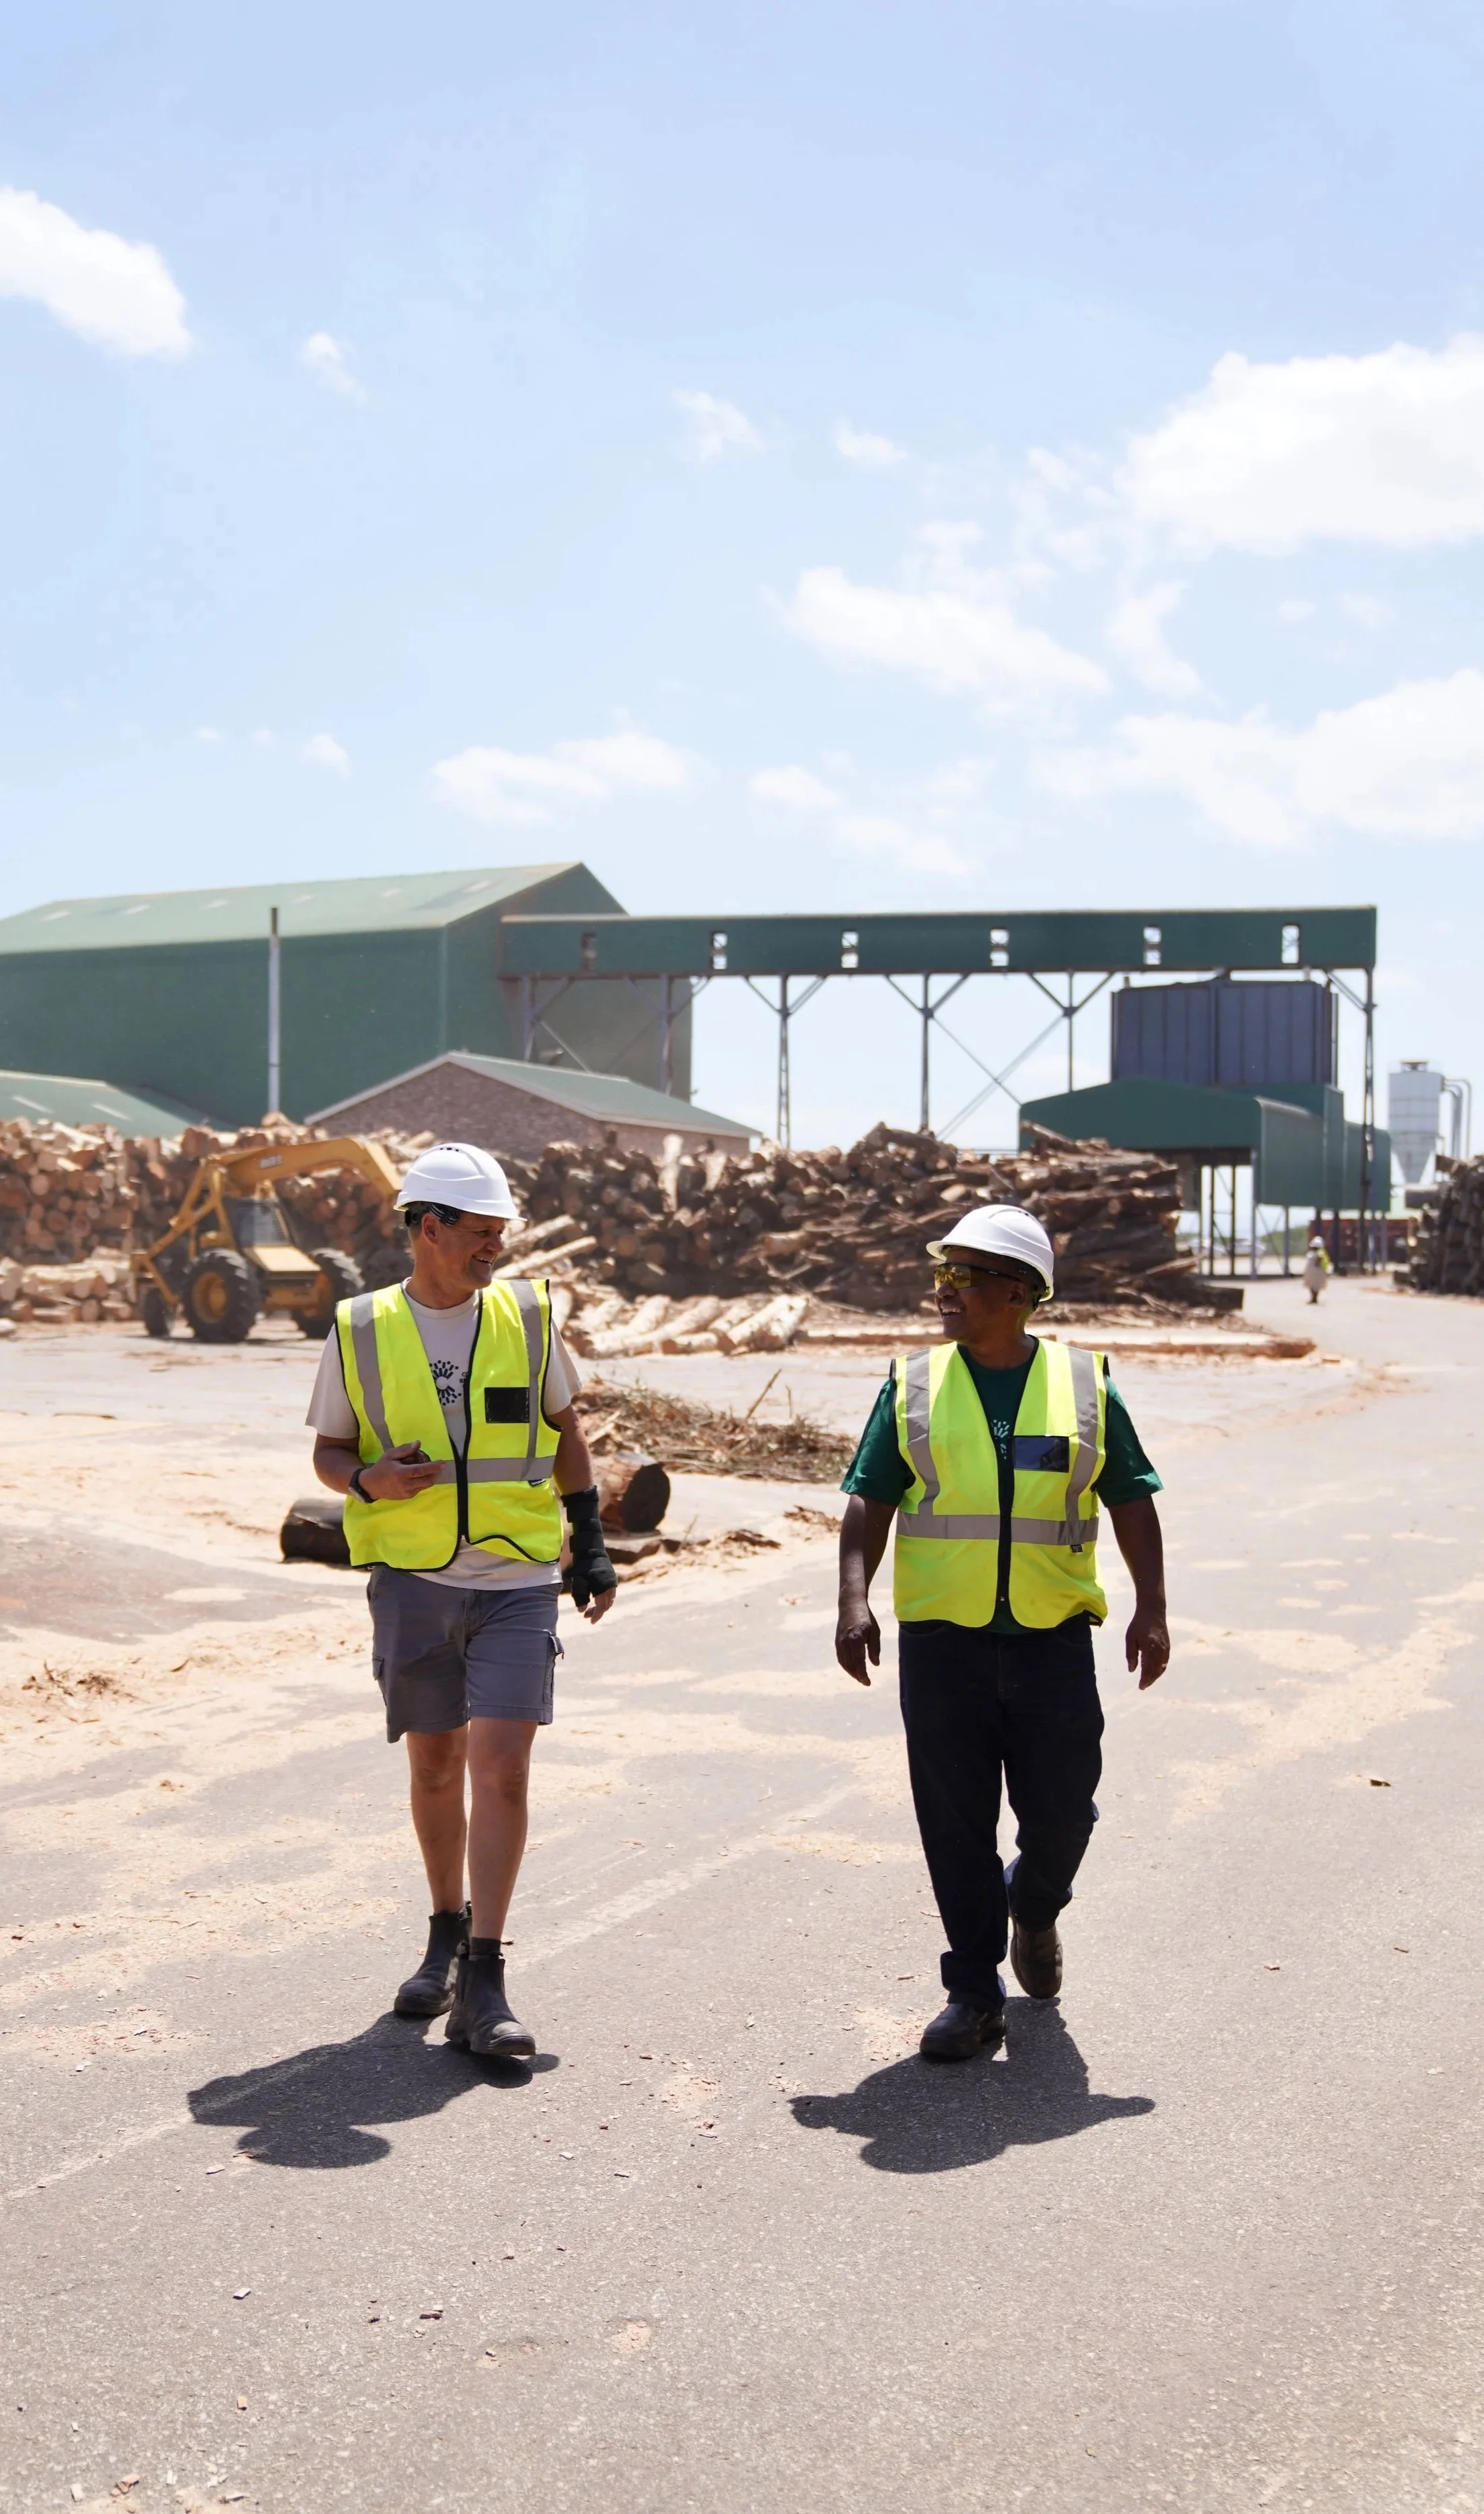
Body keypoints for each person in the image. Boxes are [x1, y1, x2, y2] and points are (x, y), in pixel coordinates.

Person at [834, 1203, 1169, 2061]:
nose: (943, 1291)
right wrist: (854, 1600)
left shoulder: (1085, 1383)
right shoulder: (912, 1383)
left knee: (1064, 1814)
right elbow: (869, 1496)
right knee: (955, 1823)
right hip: (943, 1641)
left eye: (964, 1276)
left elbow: (1131, 1496)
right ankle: (974, 1993)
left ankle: (1038, 1905)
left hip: (1051, 1636)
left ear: (1020, 1294)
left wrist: (1152, 1609)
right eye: (940, 1274)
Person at [307, 1141, 616, 2059]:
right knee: (436, 1767)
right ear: (426, 1227)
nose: (495, 1250)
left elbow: (566, 1432)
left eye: (500, 1234)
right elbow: (326, 1450)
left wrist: (589, 1544)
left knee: (503, 1767)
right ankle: (445, 1927)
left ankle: (485, 1975)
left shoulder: (526, 1314)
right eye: (480, 1233)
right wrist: (366, 1478)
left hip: (518, 1578)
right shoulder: (359, 1328)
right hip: (412, 1582)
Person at [1302, 1230, 1332, 1304]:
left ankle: (1314, 1299)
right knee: (1315, 1286)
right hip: (1316, 1271)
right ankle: (1314, 1299)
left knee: (1314, 1286)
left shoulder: (1317, 1253)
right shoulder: (1318, 1253)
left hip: (1315, 1271)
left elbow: (1318, 1260)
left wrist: (1317, 1264)